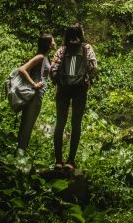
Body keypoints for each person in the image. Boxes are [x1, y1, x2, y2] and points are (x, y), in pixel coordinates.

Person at [50, 24, 98, 169]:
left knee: (60, 123)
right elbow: (93, 67)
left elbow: (53, 69)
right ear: (80, 34)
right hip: (80, 89)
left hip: (63, 89)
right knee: (76, 123)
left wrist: (57, 81)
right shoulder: (86, 48)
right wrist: (88, 78)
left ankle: (58, 161)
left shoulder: (62, 50)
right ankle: (70, 161)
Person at [15, 33, 55, 157]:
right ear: (48, 44)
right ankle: (19, 156)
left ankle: (21, 153)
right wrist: (34, 84)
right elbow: (22, 69)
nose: (54, 42)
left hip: (37, 96)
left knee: (29, 124)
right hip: (34, 96)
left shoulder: (45, 58)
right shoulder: (40, 57)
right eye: (52, 40)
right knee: (27, 125)